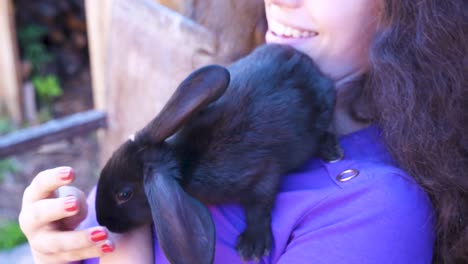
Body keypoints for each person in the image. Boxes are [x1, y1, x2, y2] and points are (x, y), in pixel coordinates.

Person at [18, 0, 467, 263]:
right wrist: (58, 244)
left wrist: (127, 253)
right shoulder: (222, 102)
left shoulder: (380, 213)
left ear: (404, 12)